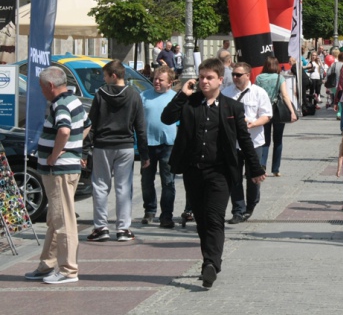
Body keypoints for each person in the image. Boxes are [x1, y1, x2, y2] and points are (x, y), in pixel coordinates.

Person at [161, 58, 266, 289]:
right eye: (201, 77)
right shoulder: (190, 103)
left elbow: (244, 140)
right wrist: (182, 94)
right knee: (201, 220)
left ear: (220, 80)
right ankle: (209, 259)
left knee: (215, 218)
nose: (204, 82)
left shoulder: (232, 107)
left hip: (220, 173)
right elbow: (166, 118)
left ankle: (210, 263)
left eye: (209, 78)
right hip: (193, 171)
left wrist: (255, 169)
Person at [24, 67, 91, 284]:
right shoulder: (73, 100)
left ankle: (68, 270)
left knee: (63, 220)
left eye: (42, 87)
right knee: (55, 218)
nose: (42, 92)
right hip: (64, 168)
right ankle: (48, 264)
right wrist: (74, 147)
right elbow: (86, 125)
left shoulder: (60, 104)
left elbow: (64, 130)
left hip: (59, 170)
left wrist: (55, 154)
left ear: (50, 86)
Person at [87, 60, 149, 242]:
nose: (104, 79)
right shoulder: (134, 95)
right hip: (125, 146)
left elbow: (91, 123)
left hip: (102, 145)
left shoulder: (100, 95)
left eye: (105, 75)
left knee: (100, 186)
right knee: (124, 187)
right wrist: (144, 154)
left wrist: (85, 148)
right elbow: (140, 127)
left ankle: (101, 228)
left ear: (113, 75)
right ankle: (123, 229)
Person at [222, 62, 273, 224]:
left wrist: (251, 124)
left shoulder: (259, 92)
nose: (235, 77)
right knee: (234, 177)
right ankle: (238, 210)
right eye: (233, 74)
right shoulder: (226, 93)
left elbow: (267, 115)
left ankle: (251, 204)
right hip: (232, 142)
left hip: (253, 142)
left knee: (253, 177)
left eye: (238, 75)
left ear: (247, 75)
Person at [140, 66, 178, 228]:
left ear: (170, 83)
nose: (156, 82)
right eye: (155, 78)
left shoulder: (175, 98)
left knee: (168, 181)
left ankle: (166, 215)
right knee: (147, 180)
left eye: (160, 80)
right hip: (148, 144)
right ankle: (149, 210)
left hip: (168, 144)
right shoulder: (144, 96)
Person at [255, 56, 298, 177]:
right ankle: (276, 168)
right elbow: (285, 95)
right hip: (277, 111)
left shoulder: (259, 78)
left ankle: (262, 165)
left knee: (264, 140)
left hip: (263, 112)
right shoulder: (280, 77)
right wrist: (292, 112)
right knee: (278, 140)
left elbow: (256, 95)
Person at [327, 51, 343, 120]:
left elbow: (328, 73)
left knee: (338, 99)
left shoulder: (334, 64)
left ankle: (339, 113)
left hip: (334, 84)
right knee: (342, 99)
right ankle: (340, 112)